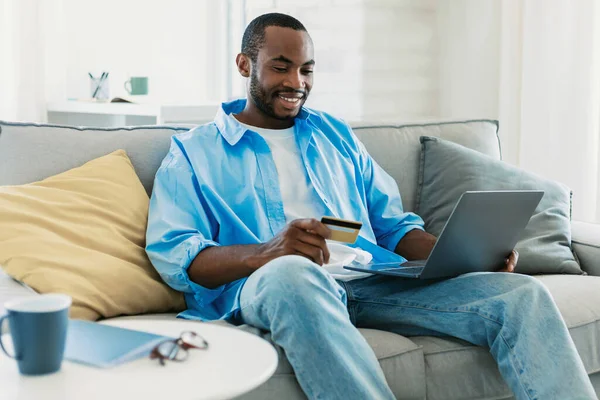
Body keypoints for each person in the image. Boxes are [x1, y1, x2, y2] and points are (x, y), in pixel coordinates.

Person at [146, 12, 595, 400]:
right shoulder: (194, 152)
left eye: (307, 70)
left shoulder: (334, 136)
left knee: (522, 296)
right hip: (275, 286)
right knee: (292, 272)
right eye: (280, 67)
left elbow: (394, 227)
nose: (296, 83)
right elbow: (176, 256)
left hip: (369, 282)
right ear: (245, 64)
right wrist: (267, 253)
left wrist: (464, 256)